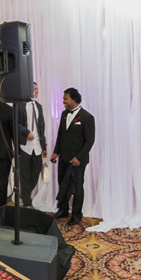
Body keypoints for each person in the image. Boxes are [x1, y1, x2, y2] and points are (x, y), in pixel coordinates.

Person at [52, 88, 95, 225]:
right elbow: (60, 136)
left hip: (77, 161)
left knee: (77, 188)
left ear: (74, 99)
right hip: (64, 158)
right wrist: (56, 152)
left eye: (65, 99)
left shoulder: (87, 117)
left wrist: (79, 157)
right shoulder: (64, 114)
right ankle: (63, 210)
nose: (63, 101)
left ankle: (76, 215)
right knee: (62, 184)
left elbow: (90, 141)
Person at [14, 82, 48, 208]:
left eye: (38, 89)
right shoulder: (19, 105)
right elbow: (14, 124)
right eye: (34, 89)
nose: (37, 91)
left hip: (38, 147)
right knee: (24, 175)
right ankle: (27, 202)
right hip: (25, 147)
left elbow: (42, 128)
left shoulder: (39, 107)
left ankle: (24, 195)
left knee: (35, 174)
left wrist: (44, 146)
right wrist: (26, 132)